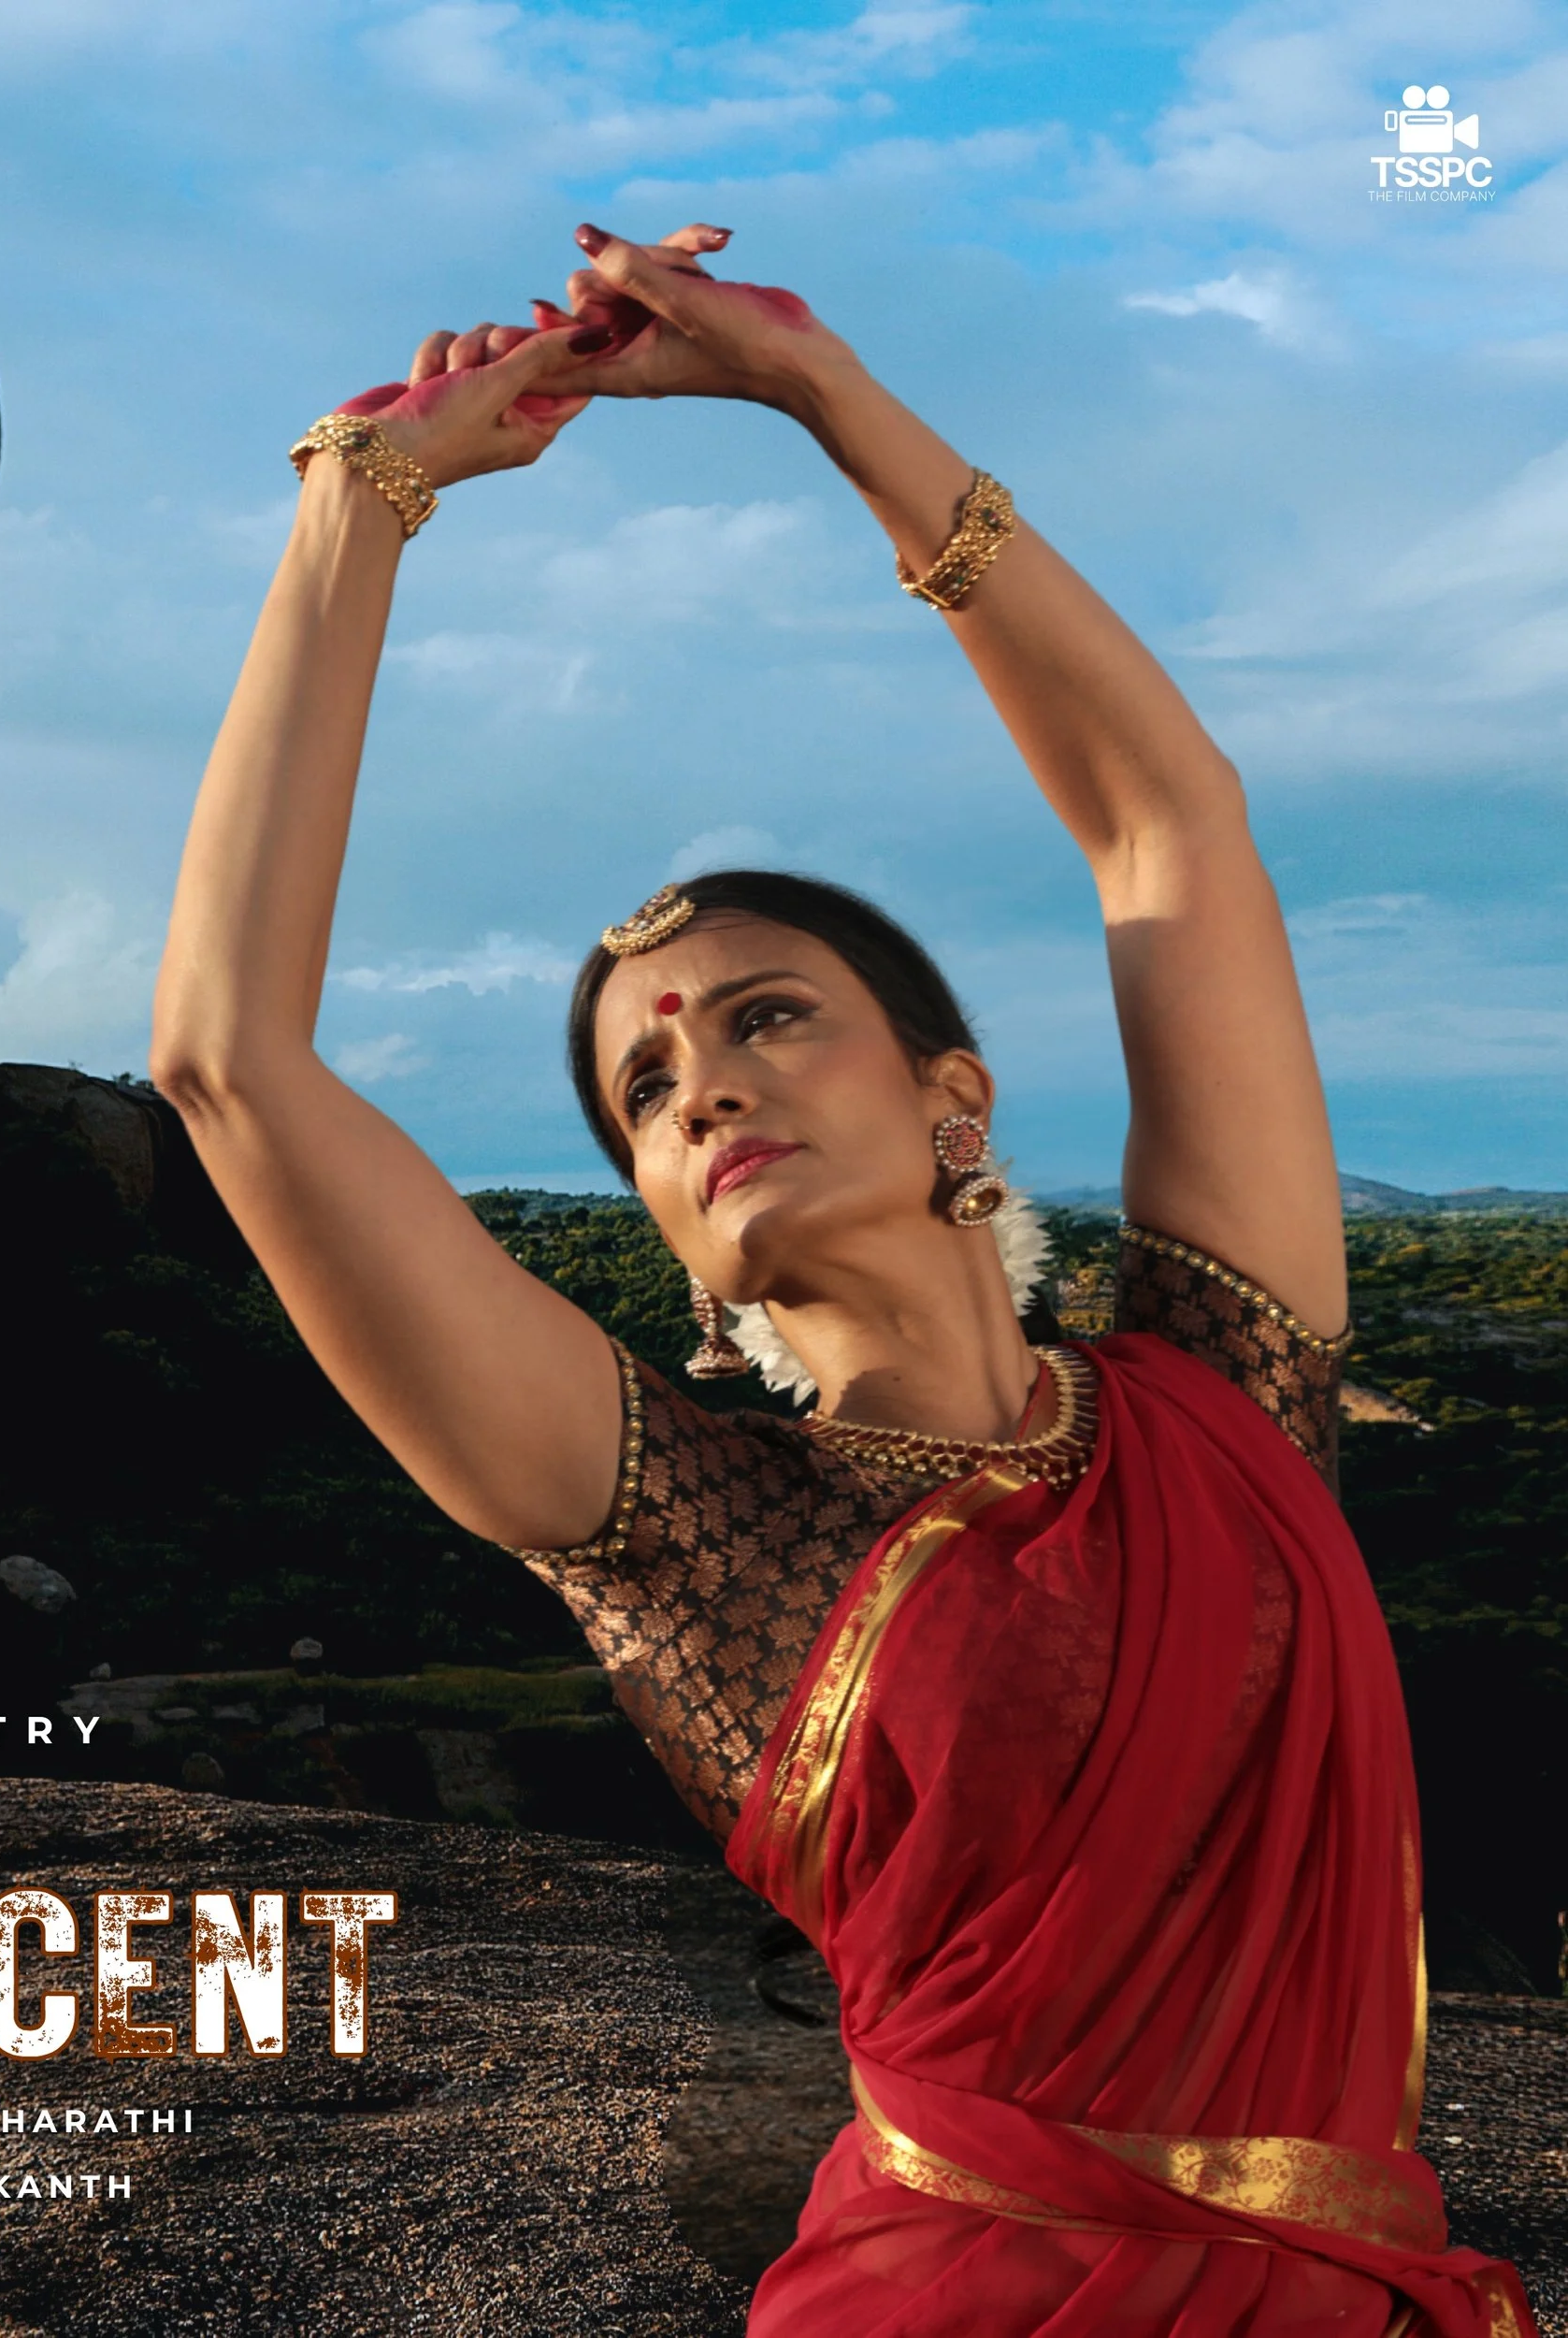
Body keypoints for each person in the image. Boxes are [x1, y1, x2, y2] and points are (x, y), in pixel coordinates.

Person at [150, 224, 1535, 2336]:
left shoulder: (1219, 1389)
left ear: (950, 1093)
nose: (702, 1079)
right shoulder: (694, 1527)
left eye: (768, 1015)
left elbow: (1167, 822)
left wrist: (825, 393)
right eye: (645, 1087)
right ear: (660, 1221)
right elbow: (226, 1065)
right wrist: (363, 497)